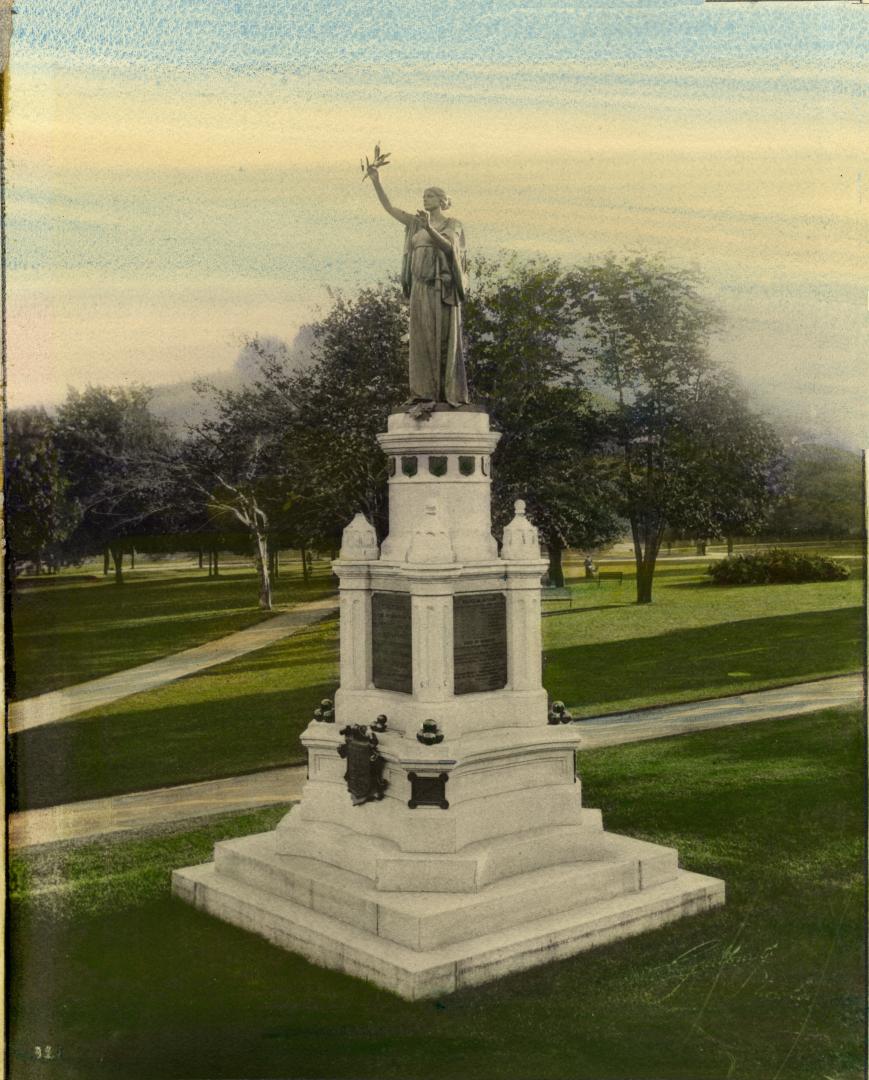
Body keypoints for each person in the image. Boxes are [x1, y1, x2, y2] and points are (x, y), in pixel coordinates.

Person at [365, 162, 470, 409]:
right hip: (419, 289)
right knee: (420, 341)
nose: (425, 199)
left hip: (440, 289)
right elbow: (390, 208)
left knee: (441, 339)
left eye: (431, 195)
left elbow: (448, 248)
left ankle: (444, 393)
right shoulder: (415, 223)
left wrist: (429, 228)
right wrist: (376, 181)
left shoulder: (451, 223)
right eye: (423, 195)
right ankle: (423, 393)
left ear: (442, 200)